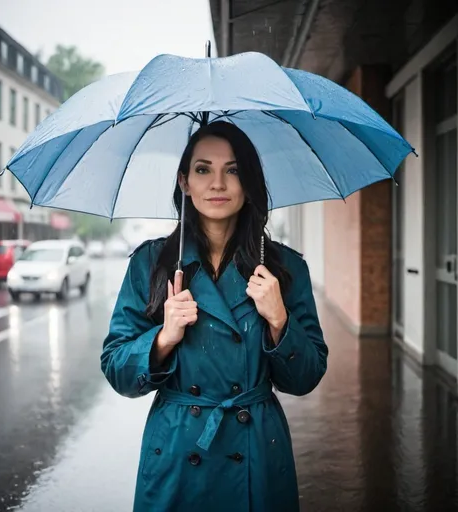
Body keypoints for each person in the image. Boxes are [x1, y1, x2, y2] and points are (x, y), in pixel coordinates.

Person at [101, 121, 328, 512]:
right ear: (184, 181)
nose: (218, 183)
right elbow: (118, 370)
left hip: (255, 449)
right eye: (203, 169)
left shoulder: (285, 269)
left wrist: (279, 322)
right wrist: (163, 338)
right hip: (176, 450)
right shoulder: (150, 264)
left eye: (234, 169)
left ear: (250, 182)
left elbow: (305, 378)